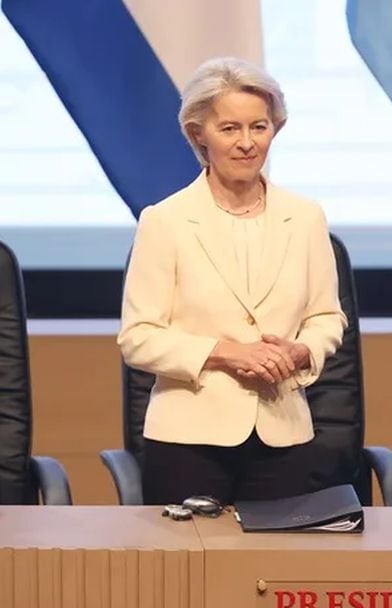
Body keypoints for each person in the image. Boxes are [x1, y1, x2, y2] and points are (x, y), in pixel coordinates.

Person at [118, 57, 346, 505]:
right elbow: (138, 338)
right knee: (190, 575)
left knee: (274, 571)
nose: (246, 143)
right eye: (229, 129)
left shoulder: (304, 218)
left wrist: (301, 350)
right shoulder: (165, 221)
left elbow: (327, 318)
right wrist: (227, 354)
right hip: (188, 441)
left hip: (283, 434)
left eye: (258, 127)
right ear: (198, 134)